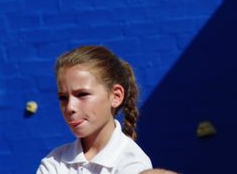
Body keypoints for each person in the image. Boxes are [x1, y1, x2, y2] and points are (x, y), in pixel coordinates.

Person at [37, 45, 153, 173]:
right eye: (63, 97)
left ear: (116, 96)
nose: (70, 107)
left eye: (82, 94)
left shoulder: (133, 163)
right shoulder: (54, 161)